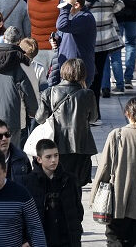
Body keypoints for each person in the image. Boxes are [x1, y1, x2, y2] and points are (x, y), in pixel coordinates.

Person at [91, 97, 136, 247]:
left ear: (127, 113)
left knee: (115, 242)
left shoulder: (117, 135)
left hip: (119, 203)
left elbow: (104, 167)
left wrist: (94, 196)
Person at [36, 58, 97, 187]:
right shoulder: (88, 94)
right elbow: (93, 118)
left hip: (57, 144)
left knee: (56, 182)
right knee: (77, 184)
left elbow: (39, 118)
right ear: (82, 74)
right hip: (82, 145)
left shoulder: (49, 92)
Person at [0, 28, 38, 149]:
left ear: (4, 38)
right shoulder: (23, 63)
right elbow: (31, 90)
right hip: (14, 118)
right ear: (19, 42)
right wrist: (33, 111)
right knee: (12, 154)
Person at [22, 137, 83, 247]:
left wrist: (76, 231)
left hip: (67, 238)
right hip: (41, 239)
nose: (53, 160)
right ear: (39, 159)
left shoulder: (70, 180)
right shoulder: (29, 182)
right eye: (48, 157)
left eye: (56, 155)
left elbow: (78, 209)